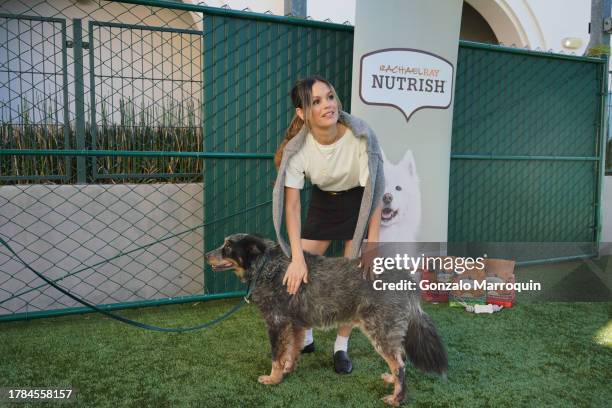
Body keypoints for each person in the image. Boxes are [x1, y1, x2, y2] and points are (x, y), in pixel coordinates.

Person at [272, 75, 385, 374]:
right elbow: (292, 205)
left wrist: (372, 245)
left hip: (361, 201)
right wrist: (296, 257)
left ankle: (341, 347)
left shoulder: (360, 136)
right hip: (325, 201)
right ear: (302, 113)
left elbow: (374, 194)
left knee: (354, 278)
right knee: (296, 269)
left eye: (330, 97)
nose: (327, 105)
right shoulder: (298, 150)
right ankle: (306, 336)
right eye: (317, 101)